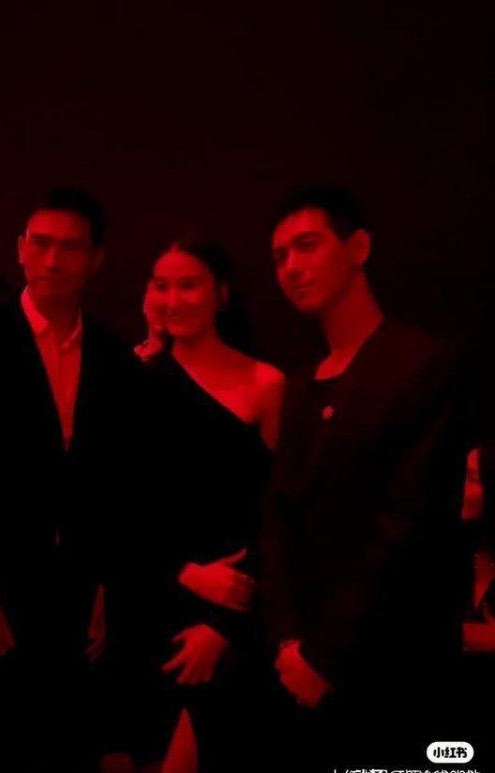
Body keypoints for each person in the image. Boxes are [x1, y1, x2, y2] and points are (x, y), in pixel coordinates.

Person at [0, 187, 152, 771]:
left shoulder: (113, 353)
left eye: (70, 247)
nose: (52, 260)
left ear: (96, 259)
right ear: (20, 249)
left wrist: (105, 587)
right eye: (41, 244)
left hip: (73, 592)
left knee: (65, 744)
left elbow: (115, 483)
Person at [261, 186, 470, 771]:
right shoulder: (300, 384)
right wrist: (286, 641)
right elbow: (278, 513)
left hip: (391, 661)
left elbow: (408, 526)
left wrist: (325, 656)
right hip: (296, 660)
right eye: (279, 256)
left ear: (358, 248)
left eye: (307, 246)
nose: (292, 267)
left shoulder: (421, 363)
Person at [136, 240, 284, 772]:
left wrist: (224, 624)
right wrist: (182, 572)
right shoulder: (134, 381)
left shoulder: (265, 383)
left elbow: (278, 514)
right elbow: (116, 511)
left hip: (236, 608)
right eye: (162, 285)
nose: (173, 299)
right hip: (150, 600)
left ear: (221, 294)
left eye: (188, 284)